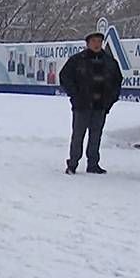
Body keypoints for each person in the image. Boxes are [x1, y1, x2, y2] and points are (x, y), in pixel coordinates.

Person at [59, 32, 124, 174]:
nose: (97, 44)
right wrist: (75, 95)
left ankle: (93, 163)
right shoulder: (77, 60)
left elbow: (117, 82)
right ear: (87, 43)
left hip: (100, 105)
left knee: (96, 135)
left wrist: (110, 100)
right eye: (94, 41)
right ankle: (73, 163)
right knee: (78, 135)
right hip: (82, 105)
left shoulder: (109, 62)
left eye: (99, 41)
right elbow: (65, 77)